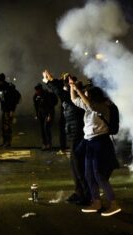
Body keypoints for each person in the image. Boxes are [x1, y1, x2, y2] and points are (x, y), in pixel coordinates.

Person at [69, 76, 121, 216]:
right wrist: (72, 87)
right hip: (90, 143)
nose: (85, 96)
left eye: (87, 94)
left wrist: (79, 89)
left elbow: (90, 104)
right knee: (88, 174)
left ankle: (113, 203)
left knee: (99, 174)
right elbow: (74, 100)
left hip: (100, 142)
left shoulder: (103, 106)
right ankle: (96, 202)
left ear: (94, 96)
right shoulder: (89, 106)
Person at [43, 70, 90, 205]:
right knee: (74, 166)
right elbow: (60, 88)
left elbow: (60, 92)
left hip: (77, 133)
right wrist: (52, 80)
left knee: (78, 166)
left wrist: (49, 81)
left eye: (67, 84)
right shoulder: (70, 94)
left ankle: (86, 195)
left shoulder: (73, 97)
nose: (65, 86)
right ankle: (79, 192)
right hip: (73, 133)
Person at [33, 83, 57, 151]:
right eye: (36, 90)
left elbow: (51, 106)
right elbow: (36, 106)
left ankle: (49, 143)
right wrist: (36, 114)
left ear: (41, 89)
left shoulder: (47, 95)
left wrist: (49, 115)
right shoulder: (36, 96)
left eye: (38, 90)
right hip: (41, 114)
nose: (36, 92)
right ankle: (44, 144)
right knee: (42, 129)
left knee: (46, 127)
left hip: (48, 113)